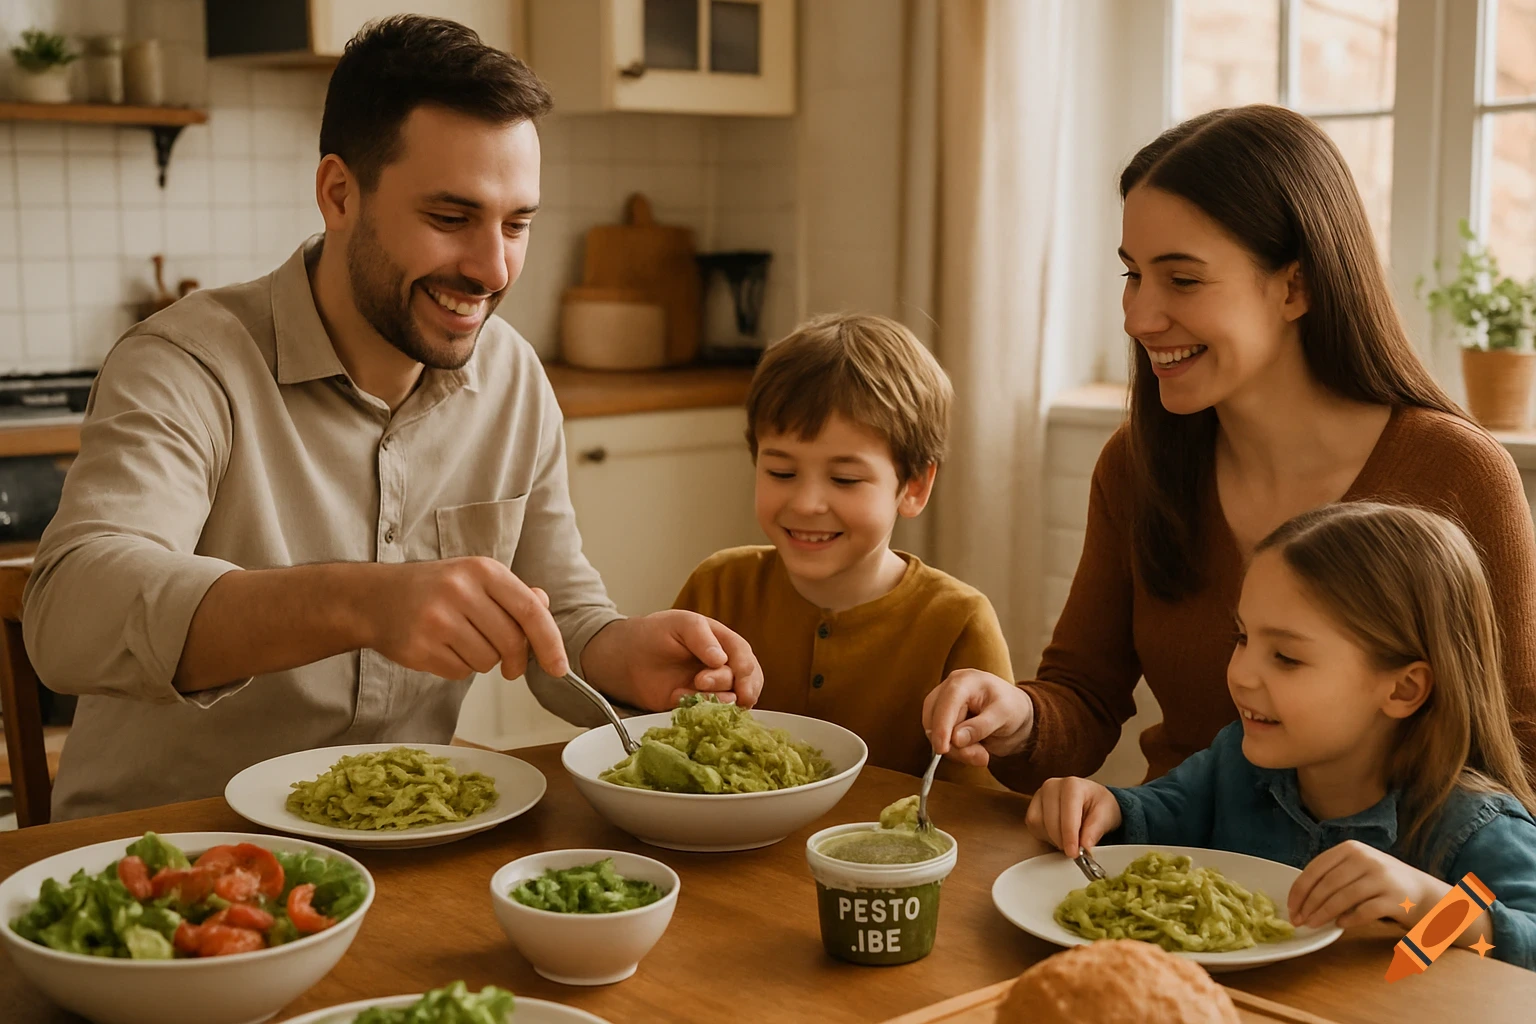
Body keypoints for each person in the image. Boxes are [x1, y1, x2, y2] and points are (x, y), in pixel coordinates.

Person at [23, 15, 760, 821]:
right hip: (163, 852)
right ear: (340, 194)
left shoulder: (512, 376)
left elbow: (561, 620)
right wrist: (363, 601)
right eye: (451, 219)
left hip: (400, 849)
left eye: (516, 224)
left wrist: (628, 658)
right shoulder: (187, 362)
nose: (492, 268)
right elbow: (69, 614)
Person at [922, 104, 1536, 791]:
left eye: (1182, 279)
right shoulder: (1136, 464)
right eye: (1132, 275)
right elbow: (1084, 698)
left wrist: (1427, 893)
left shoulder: (1459, 473)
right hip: (1181, 871)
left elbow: (1518, 758)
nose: (1138, 316)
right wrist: (1017, 715)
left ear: (1295, 286)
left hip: (1380, 893)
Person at [1025, 503, 1536, 971]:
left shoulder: (1473, 826)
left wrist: (1422, 903)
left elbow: (1523, 952)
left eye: (1287, 657)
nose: (1241, 673)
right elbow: (1157, 815)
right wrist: (1098, 806)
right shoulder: (1237, 764)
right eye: (1243, 637)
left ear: (1403, 689)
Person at [666, 313, 1010, 785]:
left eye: (845, 479)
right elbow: (662, 742)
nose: (806, 504)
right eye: (781, 473)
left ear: (913, 486)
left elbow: (977, 811)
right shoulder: (718, 587)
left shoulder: (959, 621)